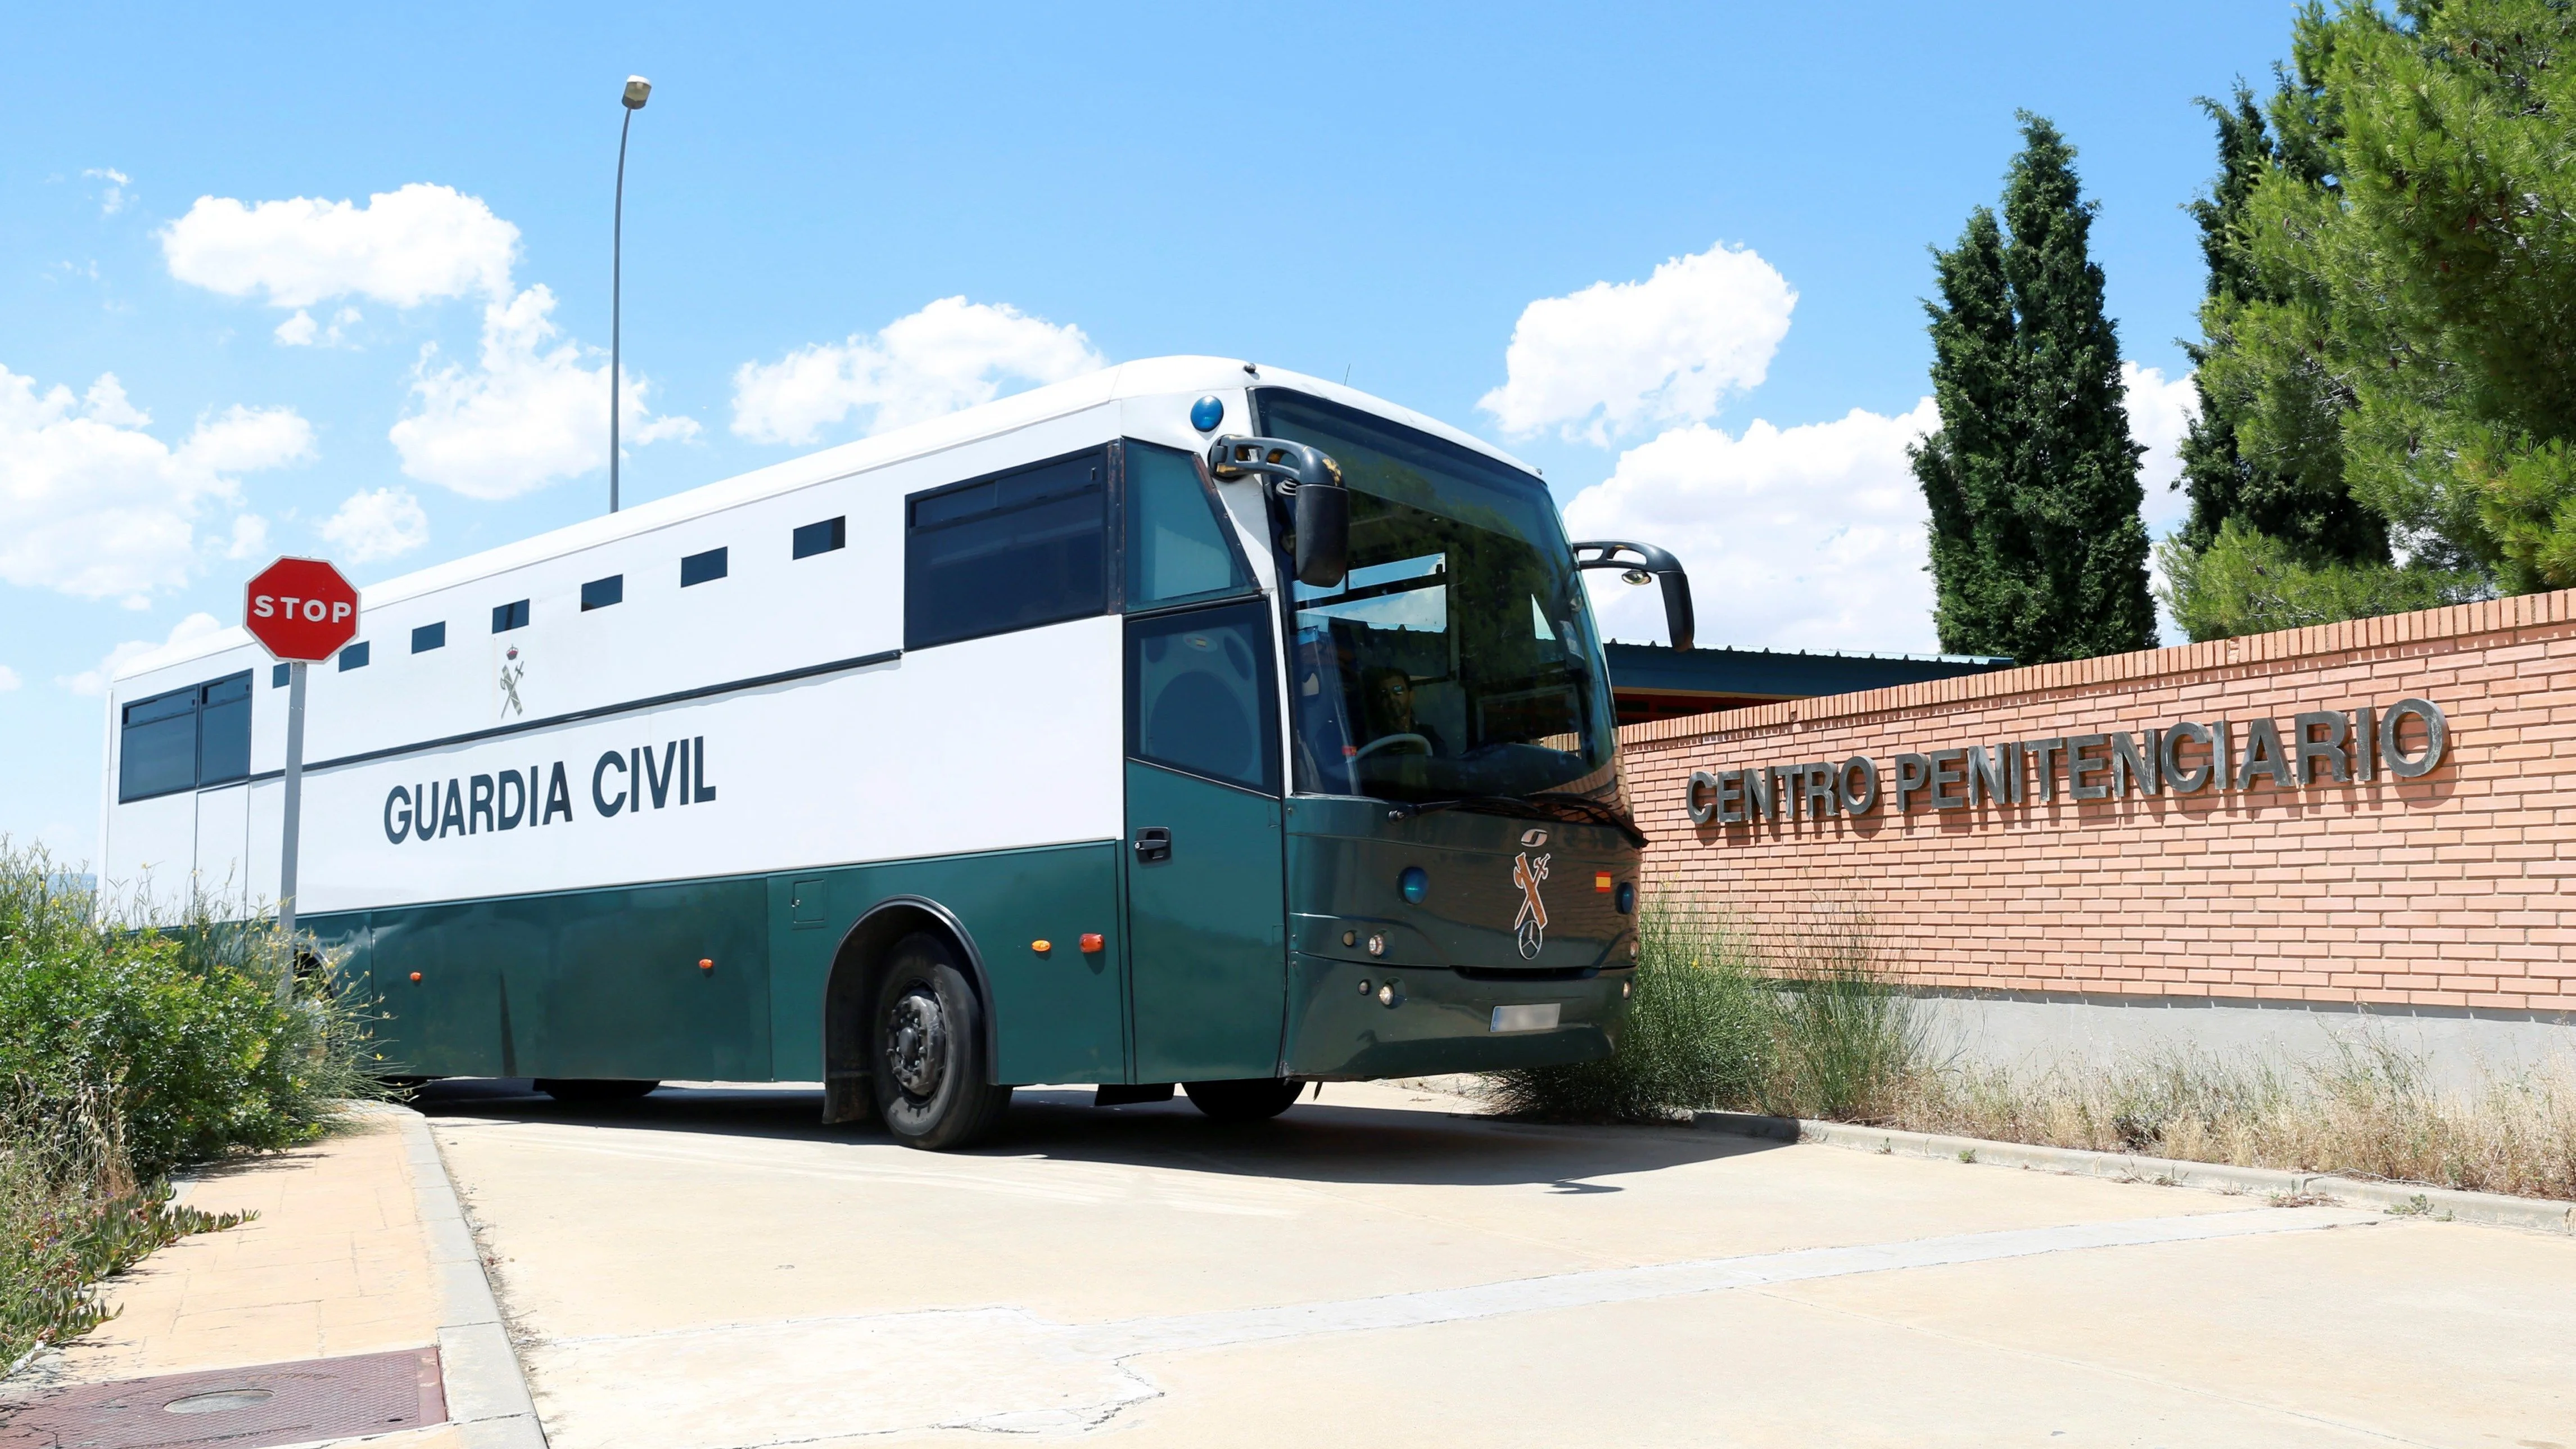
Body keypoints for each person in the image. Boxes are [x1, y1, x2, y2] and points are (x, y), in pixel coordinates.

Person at [1363, 666, 1446, 756]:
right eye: (1384, 693)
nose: (1392, 697)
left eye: (1398, 690)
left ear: (1411, 696)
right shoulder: (1370, 739)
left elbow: (1443, 763)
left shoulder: (1428, 735)